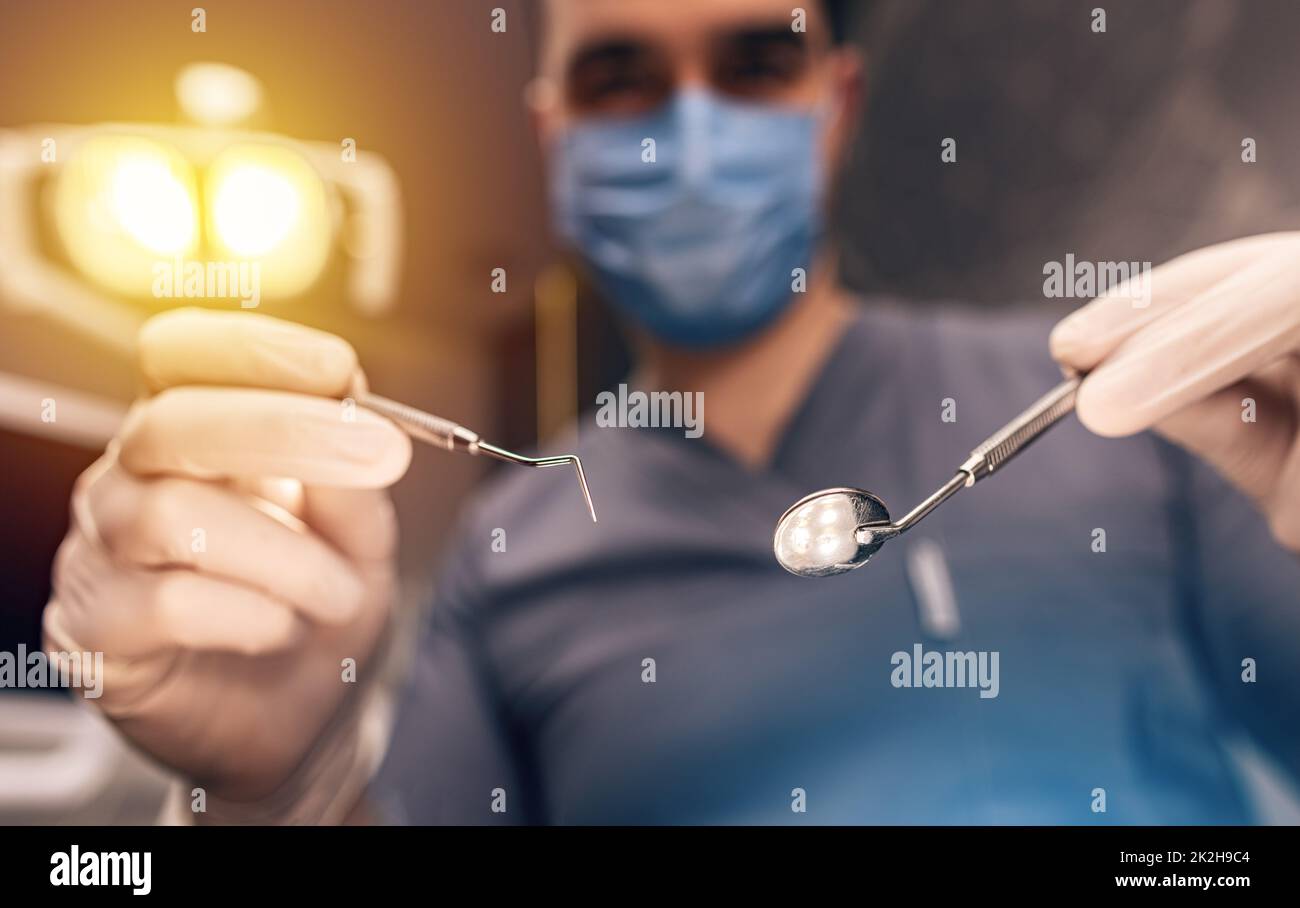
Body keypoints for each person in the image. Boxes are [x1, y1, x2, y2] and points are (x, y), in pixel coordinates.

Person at [45, 0, 1300, 824]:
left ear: (838, 109)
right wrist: (281, 787)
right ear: (554, 138)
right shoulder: (510, 551)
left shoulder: (1125, 414)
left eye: (755, 65)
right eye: (622, 78)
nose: (691, 130)